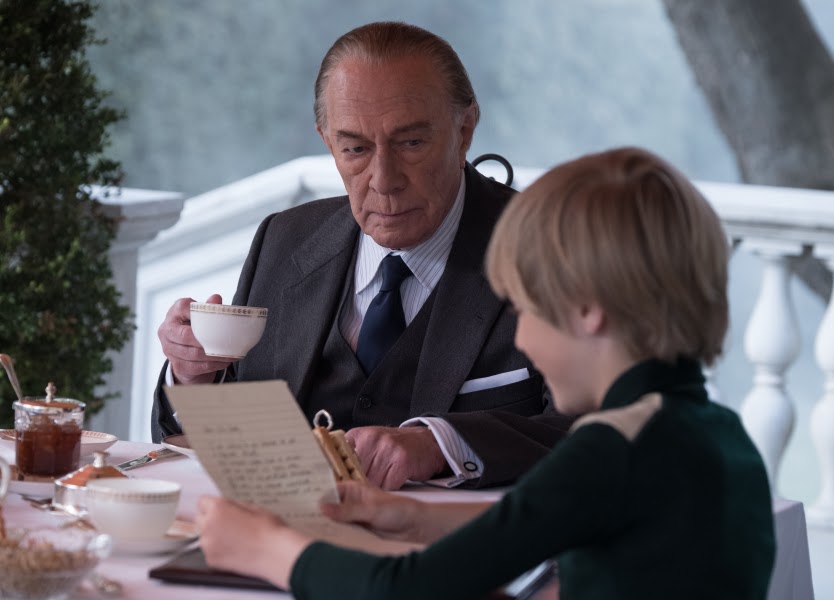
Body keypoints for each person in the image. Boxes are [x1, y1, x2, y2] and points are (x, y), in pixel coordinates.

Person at [195, 147, 777, 599]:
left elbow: (401, 592)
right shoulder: (716, 434)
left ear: (587, 310)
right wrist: (413, 518)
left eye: (525, 309)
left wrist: (266, 549)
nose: (520, 338)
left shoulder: (611, 450)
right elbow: (541, 519)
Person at [151, 21, 572, 490]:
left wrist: (443, 445)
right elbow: (232, 441)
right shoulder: (284, 239)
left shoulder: (557, 251)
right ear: (327, 141)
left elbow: (603, 435)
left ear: (465, 130)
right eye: (355, 148)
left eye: (411, 143)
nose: (384, 180)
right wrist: (192, 379)